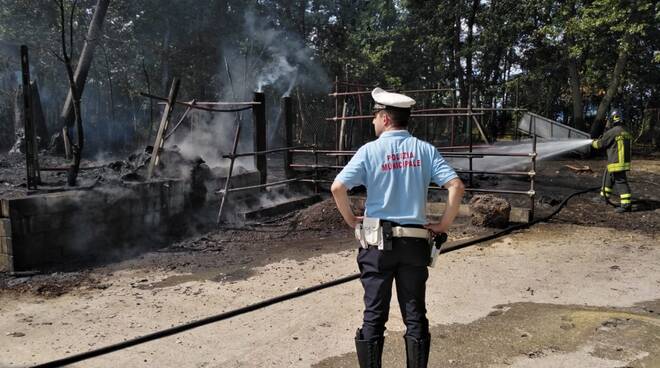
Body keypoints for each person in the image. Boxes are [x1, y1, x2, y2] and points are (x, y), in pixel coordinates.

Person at [331, 88, 465, 368]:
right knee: (415, 314)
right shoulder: (425, 149)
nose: (372, 122)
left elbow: (338, 187)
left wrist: (350, 219)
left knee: (374, 316)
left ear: (385, 118)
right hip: (415, 245)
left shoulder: (369, 151)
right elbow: (456, 186)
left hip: (377, 245)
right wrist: (442, 224)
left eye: (374, 117)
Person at [592, 110, 633, 213]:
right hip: (621, 161)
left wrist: (592, 142)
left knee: (620, 181)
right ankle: (603, 197)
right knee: (608, 178)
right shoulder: (626, 131)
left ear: (614, 119)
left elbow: (600, 144)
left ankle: (626, 204)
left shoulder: (613, 132)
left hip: (616, 161)